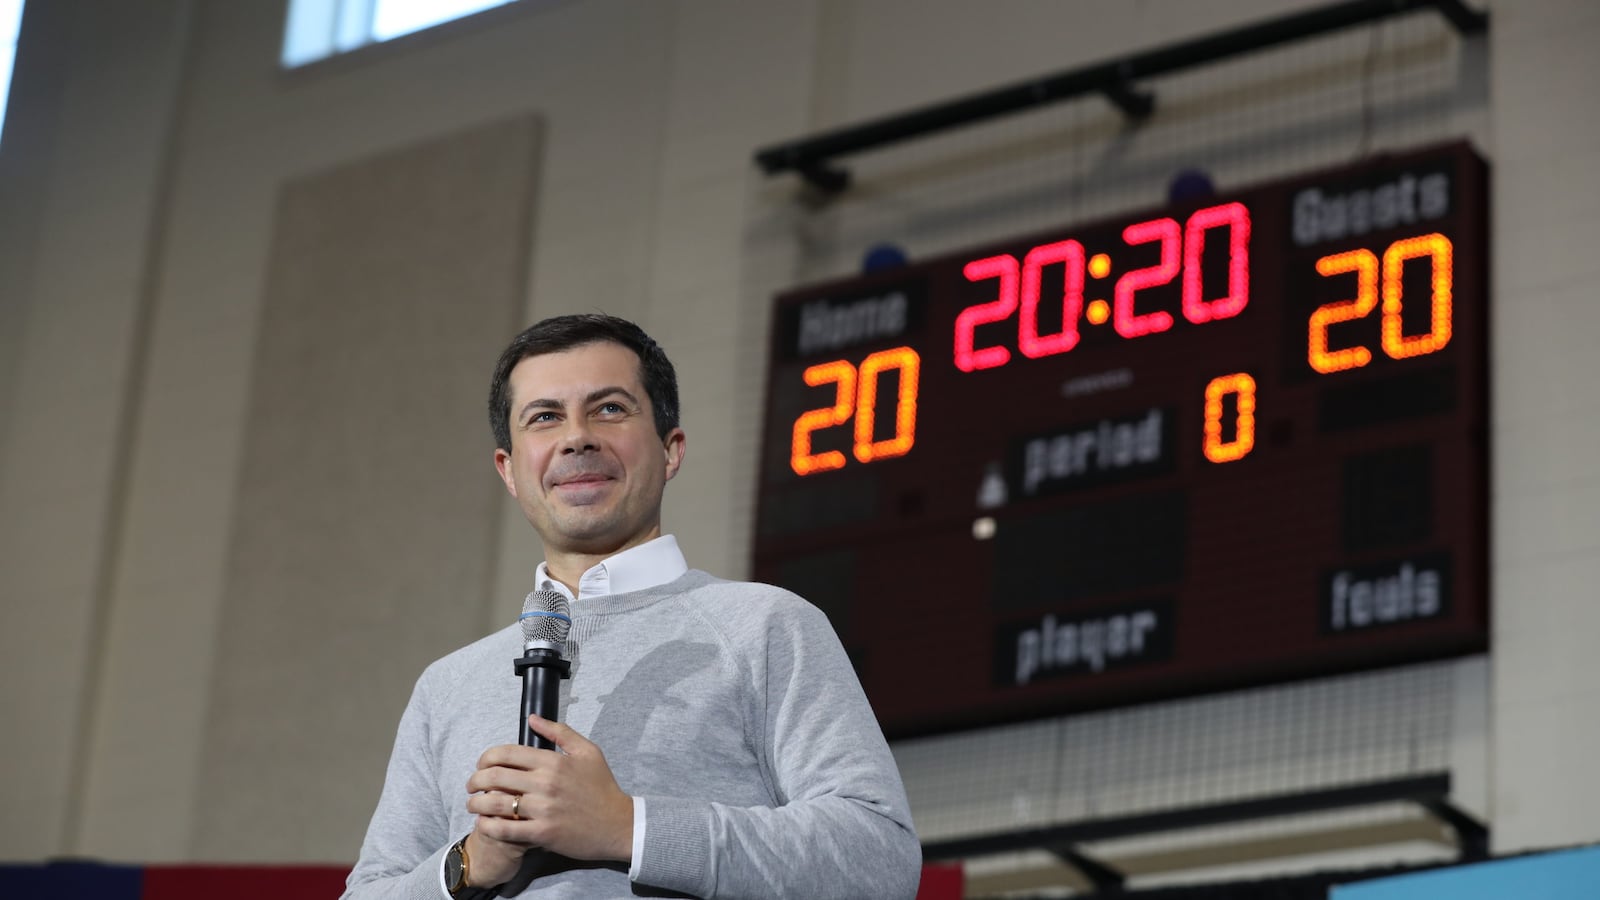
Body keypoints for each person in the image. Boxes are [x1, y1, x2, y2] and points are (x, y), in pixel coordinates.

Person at [343, 314, 922, 899]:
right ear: (510, 471)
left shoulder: (765, 625)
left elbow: (879, 858)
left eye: (610, 409)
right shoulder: (446, 687)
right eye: (545, 417)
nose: (576, 437)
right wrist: (469, 861)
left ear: (671, 450)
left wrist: (630, 827)